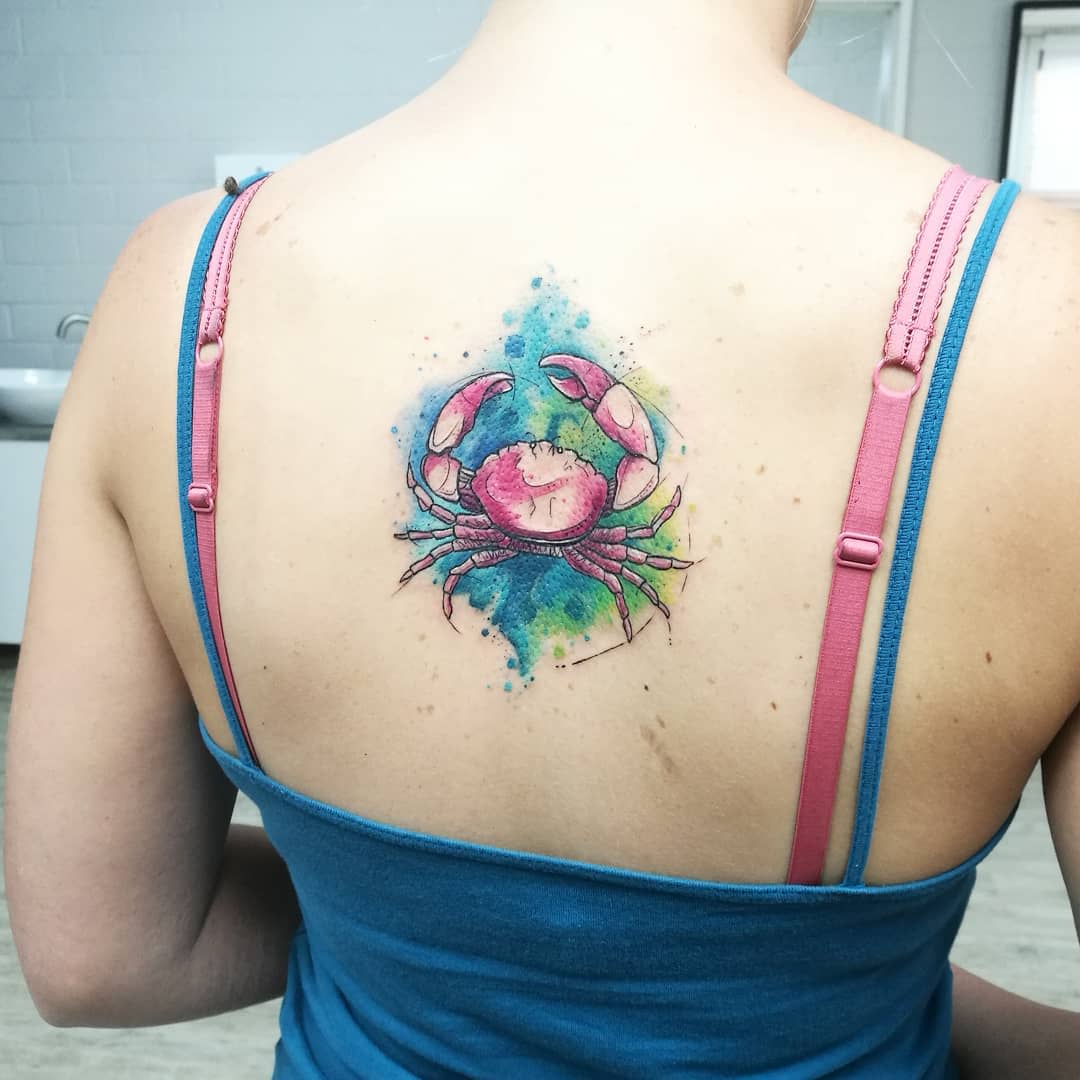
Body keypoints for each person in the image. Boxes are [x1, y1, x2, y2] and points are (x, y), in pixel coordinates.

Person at [5, 0, 1079, 1075]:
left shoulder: (178, 292)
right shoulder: (1050, 322)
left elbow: (106, 957)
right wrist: (876, 998)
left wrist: (397, 929)